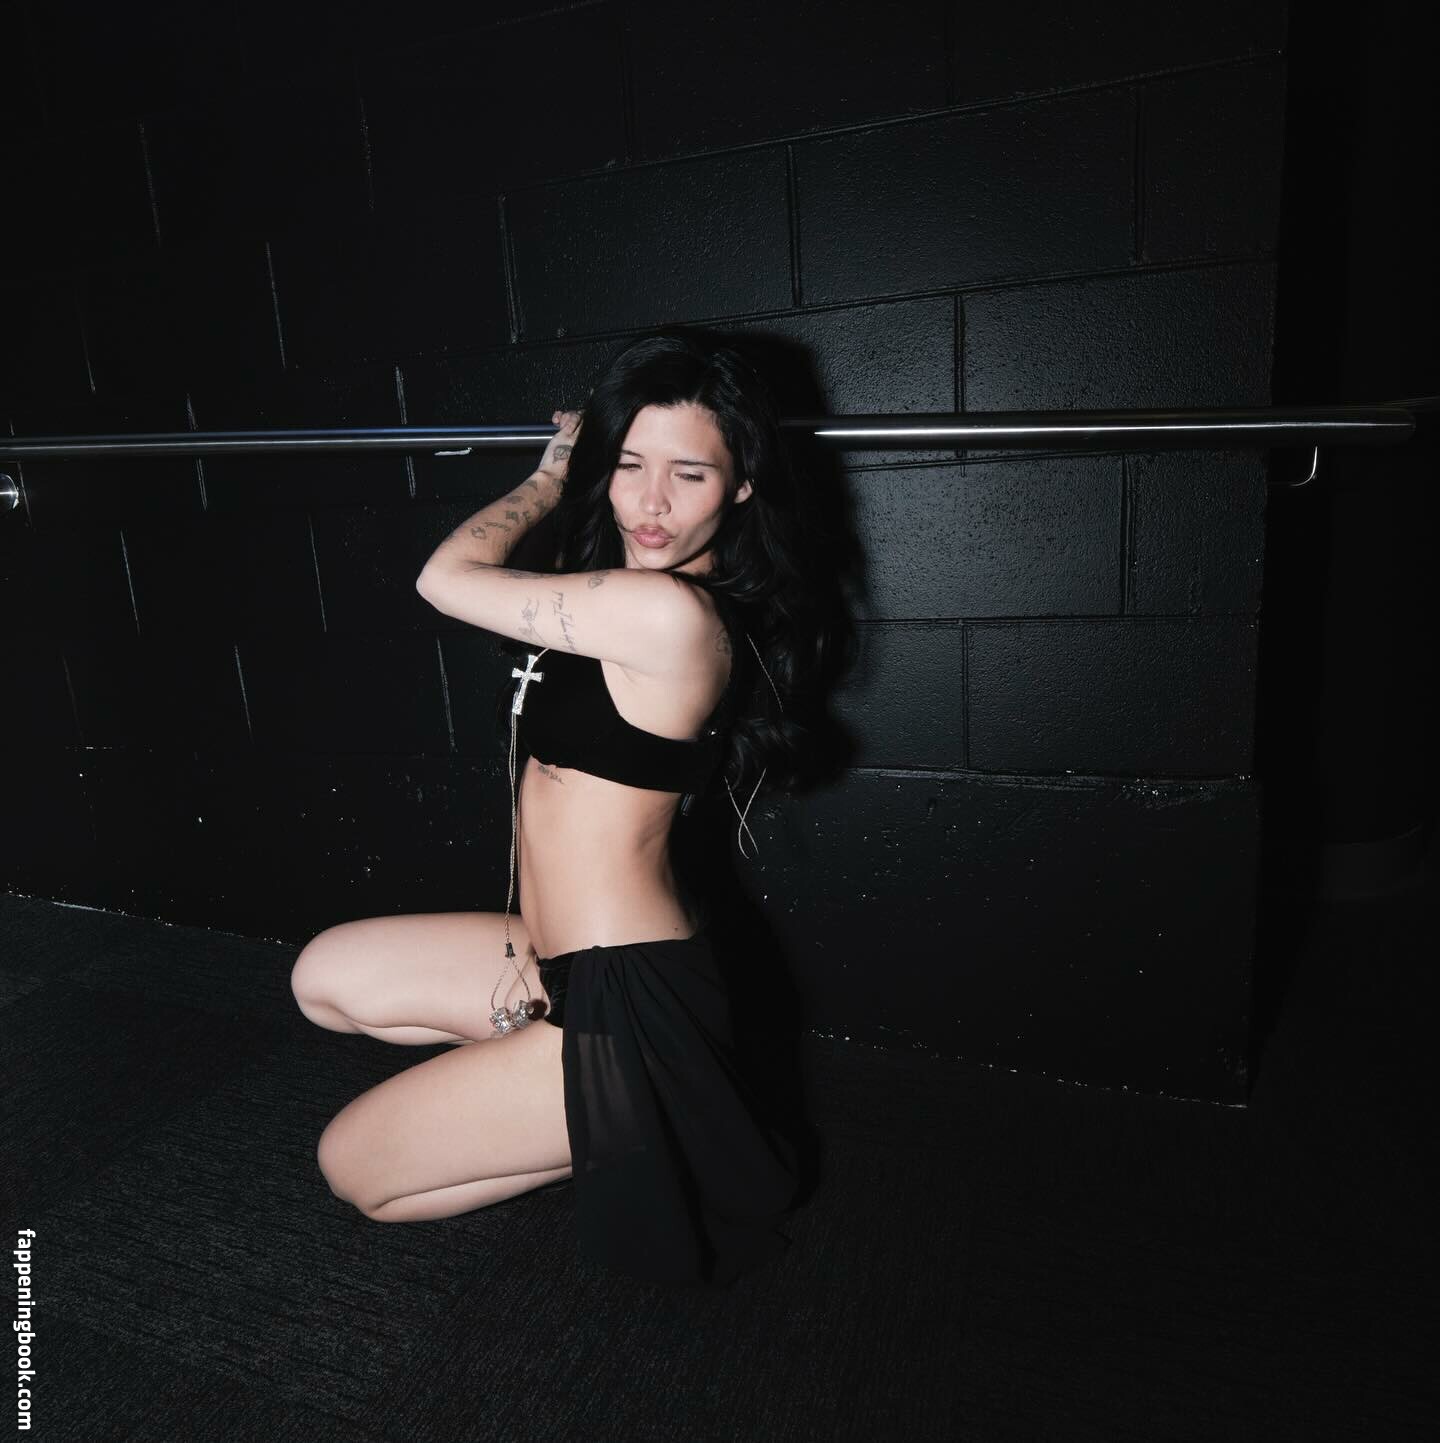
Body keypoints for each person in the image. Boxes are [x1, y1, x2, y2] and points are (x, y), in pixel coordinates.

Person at [289, 330, 824, 1286]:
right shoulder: (629, 588)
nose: (650, 502)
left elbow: (444, 580)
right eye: (628, 464)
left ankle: (657, 1119)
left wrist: (549, 478)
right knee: (322, 977)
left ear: (742, 485)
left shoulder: (669, 614)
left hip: (628, 994)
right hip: (547, 956)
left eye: (690, 473)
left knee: (352, 1170)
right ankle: (606, 1098)